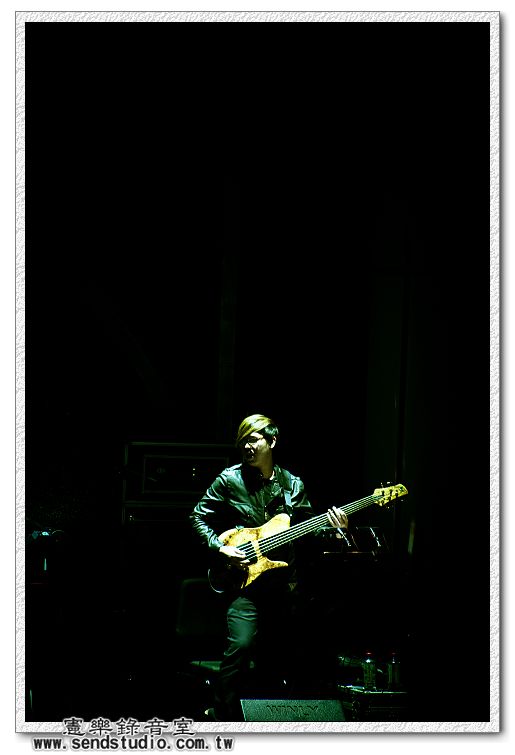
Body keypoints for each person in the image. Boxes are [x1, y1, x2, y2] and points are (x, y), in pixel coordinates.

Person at [190, 413, 348, 721]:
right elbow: (198, 516)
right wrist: (220, 547)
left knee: (283, 655)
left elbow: (309, 530)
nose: (246, 447)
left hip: (282, 586)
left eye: (253, 440)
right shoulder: (229, 479)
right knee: (241, 645)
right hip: (243, 583)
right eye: (242, 442)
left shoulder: (292, 484)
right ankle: (221, 714)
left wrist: (334, 529)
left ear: (272, 441)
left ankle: (270, 722)